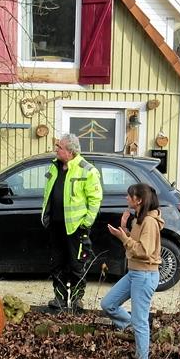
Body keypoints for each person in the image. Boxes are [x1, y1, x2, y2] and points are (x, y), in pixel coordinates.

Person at [102, 183, 163, 359]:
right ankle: (133, 328)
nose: (127, 198)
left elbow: (144, 251)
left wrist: (124, 238)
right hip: (134, 273)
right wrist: (123, 229)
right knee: (108, 304)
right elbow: (135, 245)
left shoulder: (150, 223)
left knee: (140, 320)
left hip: (145, 276)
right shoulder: (140, 219)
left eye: (130, 196)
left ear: (139, 200)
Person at [40, 132, 103, 311]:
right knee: (57, 263)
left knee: (76, 264)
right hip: (56, 225)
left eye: (59, 147)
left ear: (70, 151)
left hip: (76, 227)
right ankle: (59, 299)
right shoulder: (54, 167)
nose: (56, 150)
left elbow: (95, 200)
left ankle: (76, 300)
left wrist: (86, 223)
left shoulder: (87, 170)